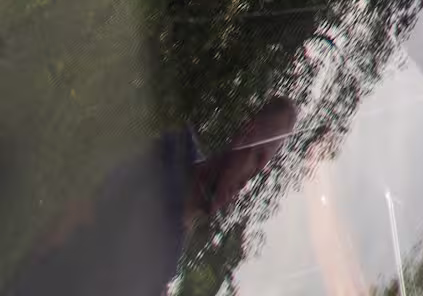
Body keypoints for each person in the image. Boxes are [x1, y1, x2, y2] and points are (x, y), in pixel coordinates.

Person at [3, 97, 298, 296]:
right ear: (246, 133)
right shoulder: (170, 153)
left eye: (262, 170)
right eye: (257, 157)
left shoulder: (171, 255)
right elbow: (77, 211)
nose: (250, 179)